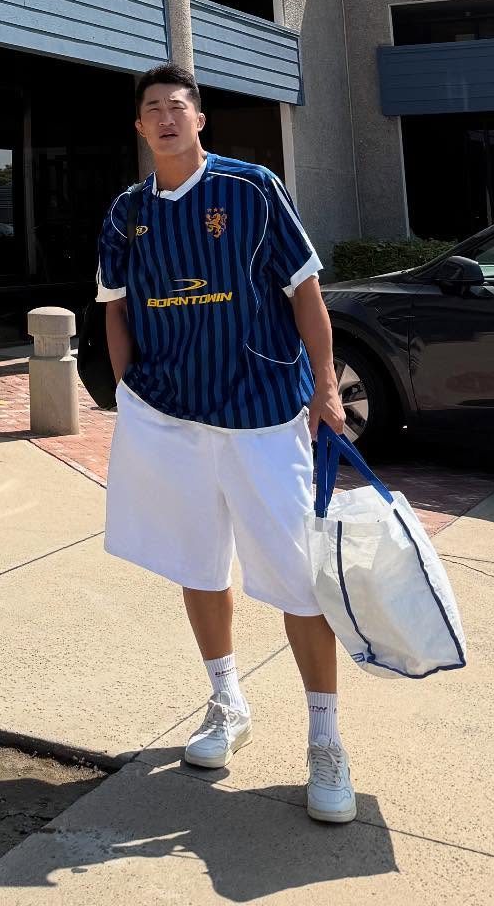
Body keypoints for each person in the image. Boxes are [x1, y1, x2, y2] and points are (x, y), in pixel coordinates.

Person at [97, 62, 355, 824]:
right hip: (173, 417)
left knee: (296, 578)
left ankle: (325, 740)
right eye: (153, 108)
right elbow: (114, 307)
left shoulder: (253, 188)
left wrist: (326, 386)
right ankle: (226, 700)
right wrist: (130, 392)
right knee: (198, 565)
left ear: (199, 119)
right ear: (140, 127)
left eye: (178, 105)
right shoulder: (127, 212)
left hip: (263, 413)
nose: (166, 117)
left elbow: (305, 292)